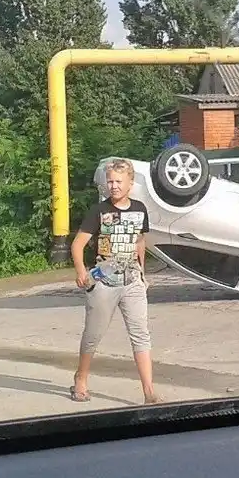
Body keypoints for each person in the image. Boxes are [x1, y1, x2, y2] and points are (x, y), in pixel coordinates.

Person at [69, 157, 162, 405]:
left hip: (132, 281)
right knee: (93, 335)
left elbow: (139, 241)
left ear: (130, 183)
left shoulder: (139, 209)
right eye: (110, 182)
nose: (114, 186)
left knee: (141, 335)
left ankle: (149, 392)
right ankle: (81, 378)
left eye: (119, 182)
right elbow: (77, 245)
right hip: (104, 282)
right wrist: (81, 272)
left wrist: (142, 274)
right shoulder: (99, 211)